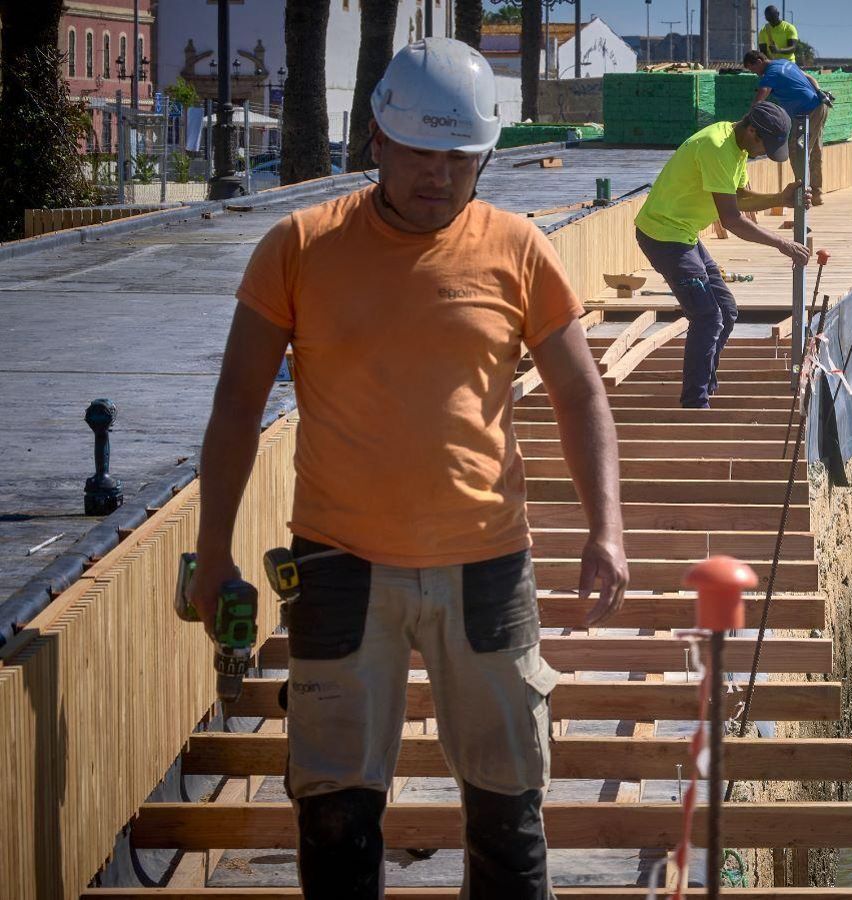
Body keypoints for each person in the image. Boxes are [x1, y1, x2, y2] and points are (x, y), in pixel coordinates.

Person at [188, 37, 628, 899]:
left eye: (459, 158)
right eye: (420, 153)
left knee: (509, 808)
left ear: (484, 157)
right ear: (377, 142)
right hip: (339, 563)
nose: (438, 175)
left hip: (488, 563)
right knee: (337, 809)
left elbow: (581, 396)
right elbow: (237, 406)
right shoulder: (299, 247)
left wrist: (606, 529)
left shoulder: (520, 248)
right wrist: (213, 554)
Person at [633, 101, 812, 408]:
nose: (760, 153)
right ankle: (695, 403)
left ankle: (705, 385)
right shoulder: (716, 147)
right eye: (762, 147)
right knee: (706, 316)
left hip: (684, 233)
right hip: (663, 235)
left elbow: (739, 198)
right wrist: (783, 244)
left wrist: (780, 197)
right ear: (752, 130)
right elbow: (732, 219)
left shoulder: (737, 146)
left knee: (725, 311)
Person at [743, 49, 827, 206]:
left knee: (797, 150)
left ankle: (803, 193)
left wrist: (748, 118)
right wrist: (818, 91)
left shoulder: (770, 73)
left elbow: (762, 94)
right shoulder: (785, 63)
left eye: (753, 69)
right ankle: (816, 194)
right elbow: (809, 77)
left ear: (759, 61)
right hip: (818, 106)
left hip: (807, 111)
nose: (755, 74)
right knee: (814, 149)